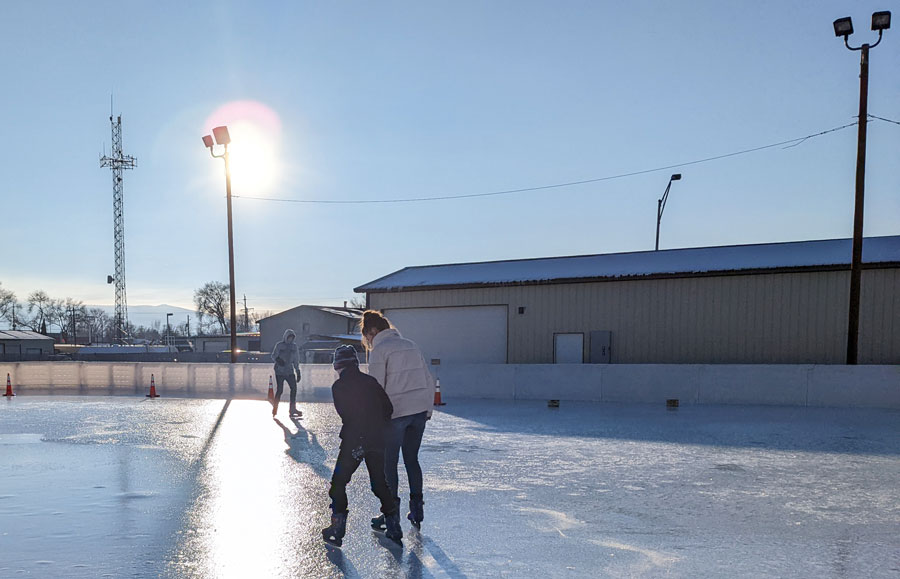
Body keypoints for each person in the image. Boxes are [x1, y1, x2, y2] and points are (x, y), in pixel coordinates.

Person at [362, 310, 436, 531]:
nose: (368, 341)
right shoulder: (411, 345)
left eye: (367, 336)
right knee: (412, 460)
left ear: (373, 331)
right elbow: (427, 378)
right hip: (419, 411)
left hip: (395, 415)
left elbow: (376, 389)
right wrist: (428, 409)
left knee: (389, 464)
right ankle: (417, 509)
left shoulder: (379, 351)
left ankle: (390, 516)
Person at [322, 345, 402, 547]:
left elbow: (346, 415)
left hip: (354, 442)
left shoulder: (339, 387)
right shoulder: (371, 382)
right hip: (377, 440)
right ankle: (393, 526)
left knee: (338, 483)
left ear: (339, 366)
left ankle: (337, 528)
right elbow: (389, 409)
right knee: (379, 484)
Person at [270, 329, 302, 417]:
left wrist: (298, 371)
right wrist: (278, 360)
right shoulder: (279, 345)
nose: (290, 340)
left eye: (292, 338)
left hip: (289, 371)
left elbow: (296, 359)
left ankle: (292, 409)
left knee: (294, 389)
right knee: (280, 390)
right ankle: (275, 408)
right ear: (285, 337)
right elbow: (273, 355)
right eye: (289, 337)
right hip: (279, 371)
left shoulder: (294, 347)